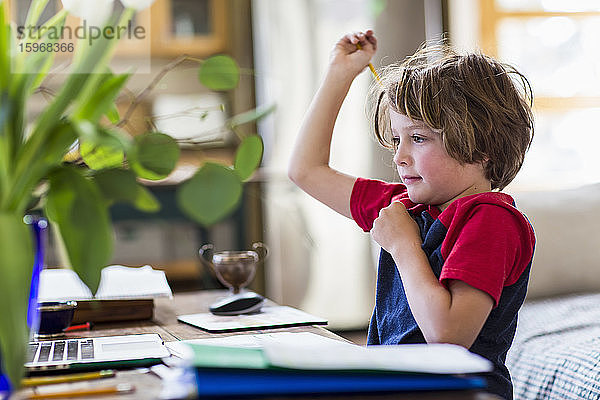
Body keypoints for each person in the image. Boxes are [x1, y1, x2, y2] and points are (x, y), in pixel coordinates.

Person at [288, 29, 535, 400]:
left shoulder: (490, 220)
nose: (399, 156)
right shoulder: (406, 206)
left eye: (418, 138)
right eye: (396, 139)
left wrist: (404, 246)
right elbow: (305, 171)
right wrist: (340, 74)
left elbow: (448, 338)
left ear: (481, 145)